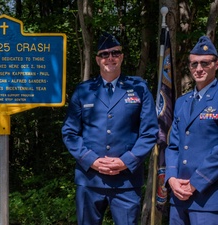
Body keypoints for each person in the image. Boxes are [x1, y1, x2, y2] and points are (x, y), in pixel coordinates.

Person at [61, 32, 158, 225]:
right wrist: (92, 160)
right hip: (90, 179)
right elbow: (70, 132)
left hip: (126, 181)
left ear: (121, 57)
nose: (110, 58)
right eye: (104, 54)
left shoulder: (139, 88)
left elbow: (149, 132)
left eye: (115, 53)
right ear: (98, 60)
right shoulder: (83, 90)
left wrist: (126, 161)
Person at [165, 36, 218, 225]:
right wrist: (171, 178)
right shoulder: (182, 102)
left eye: (205, 63)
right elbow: (173, 146)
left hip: (209, 199)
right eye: (194, 64)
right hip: (179, 197)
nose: (199, 69)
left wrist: (196, 182)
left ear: (216, 64)